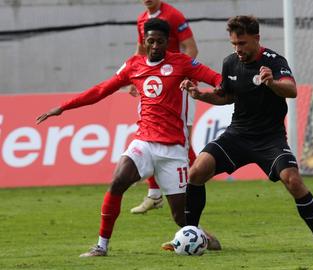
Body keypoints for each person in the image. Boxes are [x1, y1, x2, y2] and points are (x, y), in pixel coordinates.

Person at [36, 18, 222, 257]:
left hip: (174, 150)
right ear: (144, 42)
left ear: (168, 42)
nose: (155, 46)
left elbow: (215, 77)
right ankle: (101, 246)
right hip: (143, 142)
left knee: (181, 218)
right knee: (118, 181)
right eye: (151, 41)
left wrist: (216, 91)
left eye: (160, 41)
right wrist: (63, 106)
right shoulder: (133, 65)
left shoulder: (182, 63)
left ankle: (202, 237)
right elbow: (102, 89)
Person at [171, 15, 313, 252]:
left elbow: (291, 90)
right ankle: (191, 234)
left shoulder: (274, 61)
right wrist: (201, 95)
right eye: (234, 44)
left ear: (257, 39)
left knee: (293, 180)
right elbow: (226, 95)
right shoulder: (230, 63)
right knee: (197, 171)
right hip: (237, 135)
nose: (238, 49)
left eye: (242, 43)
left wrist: (272, 83)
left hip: (270, 139)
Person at [129, 0, 199, 214]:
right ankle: (155, 195)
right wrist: (136, 78)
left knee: (183, 143)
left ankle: (195, 188)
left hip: (176, 87)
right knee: (147, 136)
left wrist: (175, 72)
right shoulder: (142, 19)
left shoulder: (173, 15)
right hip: (151, 86)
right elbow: (141, 50)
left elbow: (191, 48)